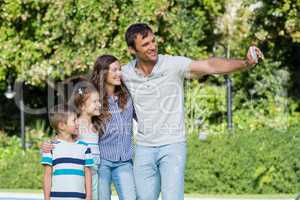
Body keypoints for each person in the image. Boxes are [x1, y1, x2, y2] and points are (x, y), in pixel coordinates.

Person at [121, 23, 264, 200]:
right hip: (143, 147)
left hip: (172, 145)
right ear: (131, 50)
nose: (152, 47)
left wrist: (245, 63)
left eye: (153, 41)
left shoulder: (172, 64)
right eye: (145, 44)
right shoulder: (125, 73)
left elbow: (210, 66)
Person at [90, 54, 136, 200]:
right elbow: (78, 122)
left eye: (120, 69)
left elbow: (143, 117)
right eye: (114, 70)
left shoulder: (128, 96)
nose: (119, 73)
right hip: (102, 161)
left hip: (125, 161)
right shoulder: (93, 99)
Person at [41, 104, 93, 200]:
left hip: (79, 197)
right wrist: (46, 198)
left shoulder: (85, 147)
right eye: (74, 120)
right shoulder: (50, 147)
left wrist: (89, 196)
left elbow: (88, 173)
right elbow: (47, 176)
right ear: (61, 126)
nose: (78, 123)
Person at [69, 80, 102, 200]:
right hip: (80, 173)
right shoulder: (75, 125)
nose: (99, 105)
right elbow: (63, 142)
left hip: (94, 174)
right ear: (82, 106)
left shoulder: (95, 126)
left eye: (99, 101)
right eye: (95, 102)